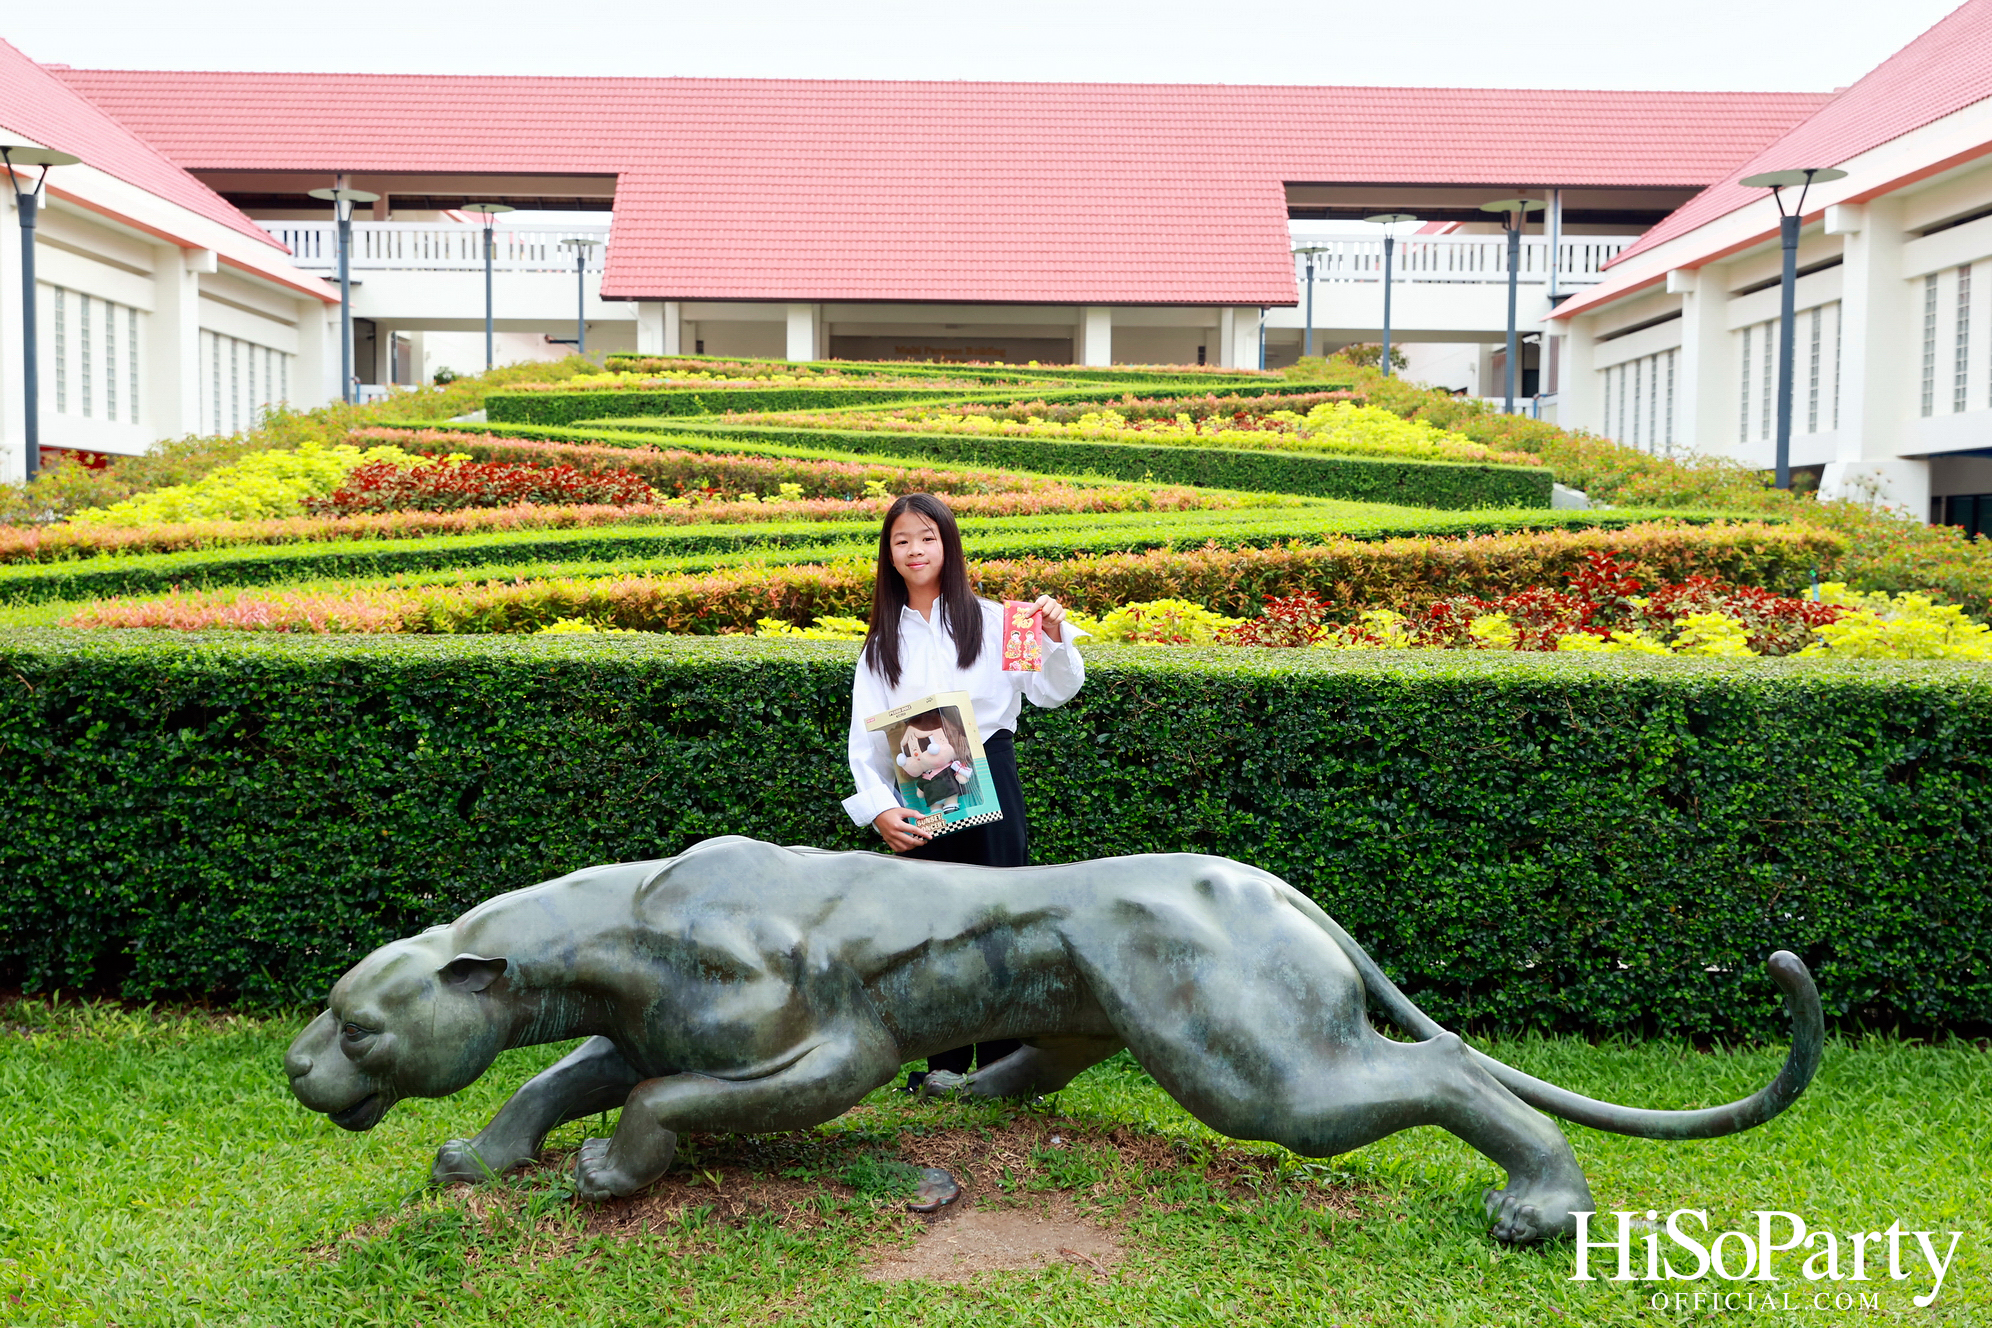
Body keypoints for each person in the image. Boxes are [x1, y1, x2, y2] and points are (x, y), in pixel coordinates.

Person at [843, 492, 1086, 1086]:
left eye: (927, 537)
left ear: (948, 545)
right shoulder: (880, 647)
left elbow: (1055, 691)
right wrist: (881, 813)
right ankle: (940, 1065)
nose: (915, 550)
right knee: (933, 927)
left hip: (991, 776)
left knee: (1000, 919)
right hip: (918, 794)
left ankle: (1001, 1068)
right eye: (901, 541)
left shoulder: (1006, 620)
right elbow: (866, 748)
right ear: (889, 556)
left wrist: (1054, 637)